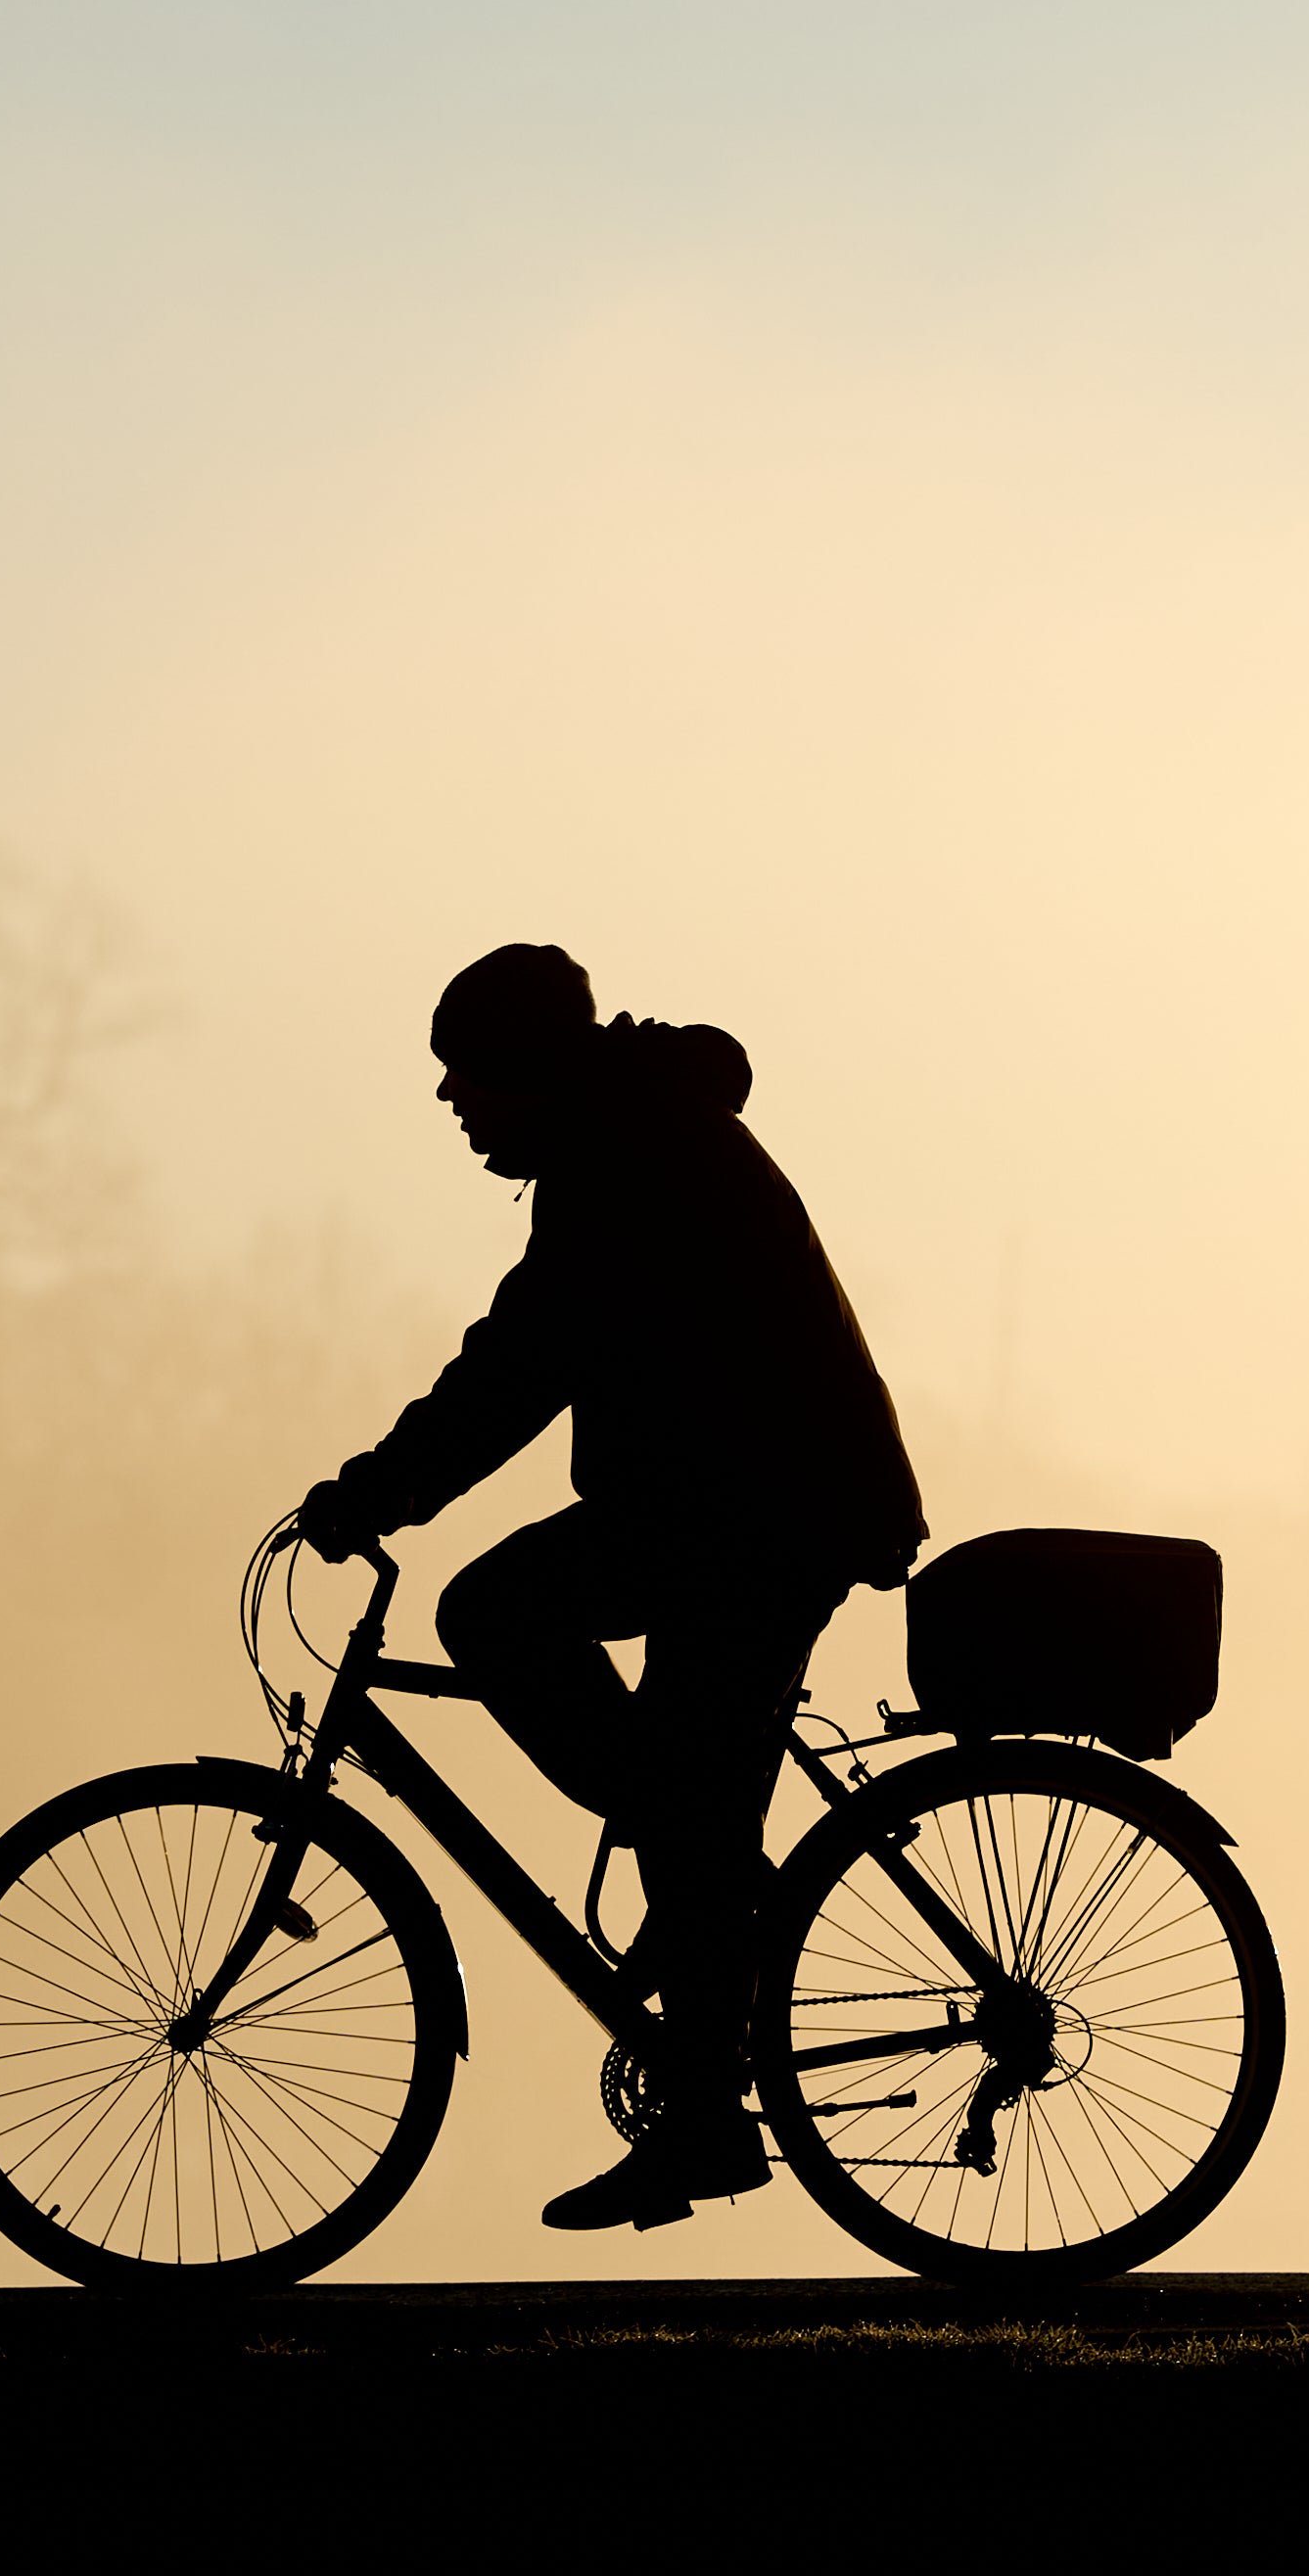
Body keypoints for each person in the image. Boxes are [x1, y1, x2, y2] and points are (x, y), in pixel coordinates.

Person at [296, 943, 926, 2231]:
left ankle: (701, 2085)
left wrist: (376, 1491)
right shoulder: (632, 1135)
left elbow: (521, 1363)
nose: (449, 1103)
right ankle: (700, 1897)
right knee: (665, 1781)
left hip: (765, 1513)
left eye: (464, 1076)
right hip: (730, 1507)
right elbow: (533, 1355)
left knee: (495, 1618)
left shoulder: (625, 1156)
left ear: (527, 1069)